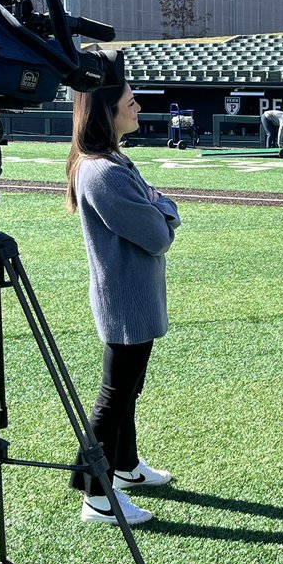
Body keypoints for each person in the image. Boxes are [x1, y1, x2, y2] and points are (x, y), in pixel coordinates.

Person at [65, 57, 180, 526]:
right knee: (115, 395)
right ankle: (96, 493)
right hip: (125, 301)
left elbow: (158, 208)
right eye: (129, 101)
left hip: (133, 297)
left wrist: (159, 205)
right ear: (107, 110)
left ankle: (126, 467)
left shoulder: (112, 161)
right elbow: (158, 234)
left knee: (127, 389)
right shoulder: (103, 171)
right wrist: (163, 209)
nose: (138, 107)